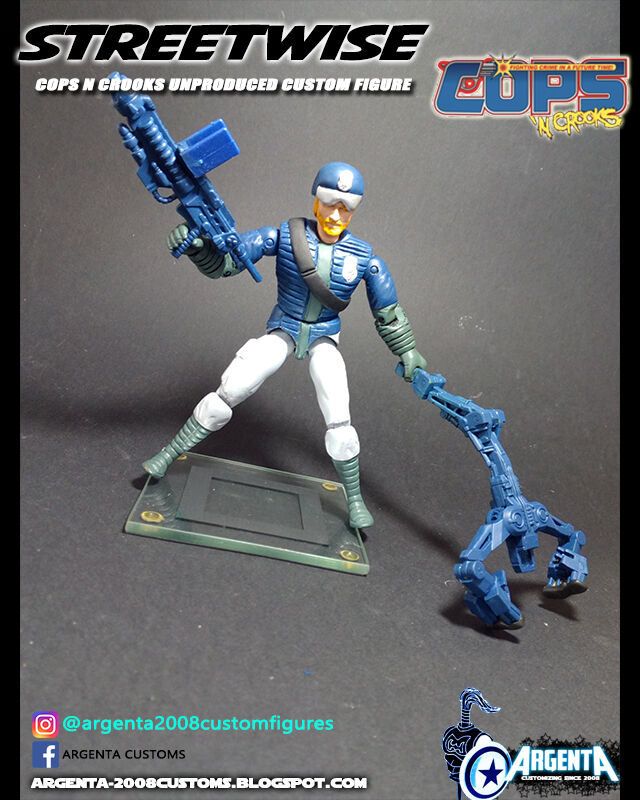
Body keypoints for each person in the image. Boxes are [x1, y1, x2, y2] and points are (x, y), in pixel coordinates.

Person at [143, 161, 426, 529]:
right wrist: (199, 248)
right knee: (232, 388)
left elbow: (388, 313)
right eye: (330, 204)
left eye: (345, 209)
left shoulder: (364, 258)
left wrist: (406, 350)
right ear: (316, 201)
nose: (335, 216)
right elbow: (227, 263)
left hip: (324, 336)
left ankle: (355, 500)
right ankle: (168, 455)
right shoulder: (285, 236)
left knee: (339, 417)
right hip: (284, 328)